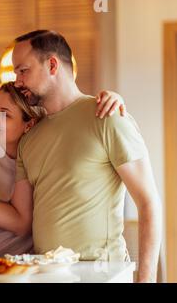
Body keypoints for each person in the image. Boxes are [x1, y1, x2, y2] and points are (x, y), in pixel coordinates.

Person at [9, 30, 160, 282]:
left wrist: (146, 280)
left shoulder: (107, 116)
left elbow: (149, 203)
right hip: (47, 275)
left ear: (53, 65)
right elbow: (21, 218)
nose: (17, 81)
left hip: (102, 275)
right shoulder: (29, 139)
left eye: (23, 70)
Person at [0, 82, 126, 258]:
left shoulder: (41, 157)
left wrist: (111, 99)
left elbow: (21, 223)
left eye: (5, 115)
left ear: (29, 123)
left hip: (19, 266)